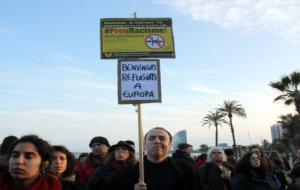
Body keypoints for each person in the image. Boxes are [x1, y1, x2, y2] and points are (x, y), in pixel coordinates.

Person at [114, 127, 201, 190]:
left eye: (162, 138)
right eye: (152, 138)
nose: (157, 141)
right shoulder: (130, 172)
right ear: (144, 146)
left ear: (170, 146)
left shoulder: (186, 169)